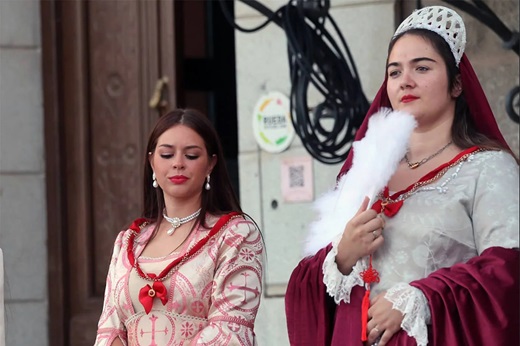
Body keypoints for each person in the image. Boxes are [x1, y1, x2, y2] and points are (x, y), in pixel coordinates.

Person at [285, 5, 519, 346]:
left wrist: (422, 297)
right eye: (394, 72)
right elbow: (307, 286)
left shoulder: (489, 169)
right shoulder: (367, 169)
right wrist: (343, 255)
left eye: (421, 68)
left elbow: (508, 271)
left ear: (456, 84)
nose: (405, 81)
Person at [95, 108, 264, 345]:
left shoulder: (236, 235)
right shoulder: (128, 241)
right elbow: (109, 328)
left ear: (211, 164)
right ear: (152, 161)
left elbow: (230, 329)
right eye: (166, 155)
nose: (178, 164)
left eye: (192, 156)